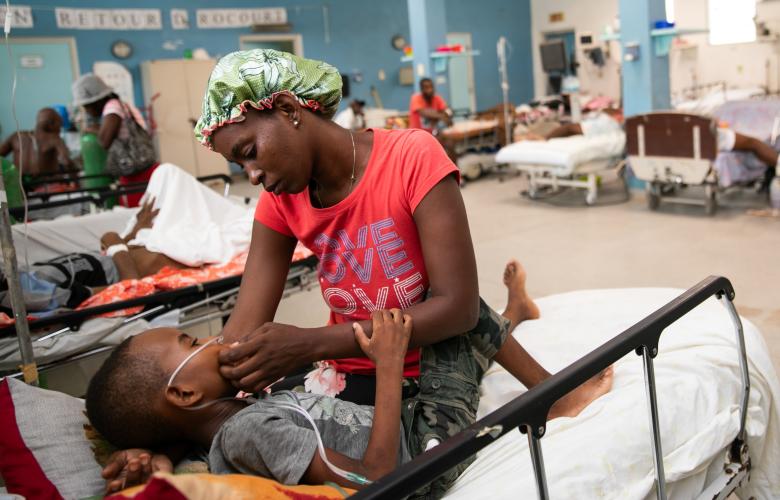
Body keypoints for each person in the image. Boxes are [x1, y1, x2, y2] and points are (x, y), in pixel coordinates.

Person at [101, 49, 611, 488]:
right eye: (240, 167)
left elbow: (454, 310)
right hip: (355, 371)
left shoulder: (411, 156)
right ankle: (516, 313)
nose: (252, 175)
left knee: (463, 306)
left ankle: (551, 389)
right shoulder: (281, 203)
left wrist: (311, 342)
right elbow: (242, 333)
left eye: (249, 153)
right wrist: (161, 440)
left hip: (418, 344)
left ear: (285, 108)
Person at [86, 262, 612, 497]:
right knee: (454, 308)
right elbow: (376, 480)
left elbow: (191, 464)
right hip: (422, 459)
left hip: (403, 420)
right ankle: (553, 396)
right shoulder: (247, 433)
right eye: (192, 345)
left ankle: (515, 311)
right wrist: (387, 366)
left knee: (443, 325)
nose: (213, 342)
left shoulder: (232, 421)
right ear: (182, 392)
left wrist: (153, 463)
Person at [71, 74, 157, 207]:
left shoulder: (112, 108)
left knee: (138, 213)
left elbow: (104, 141)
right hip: (142, 169)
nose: (86, 111)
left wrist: (93, 129)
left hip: (137, 174)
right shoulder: (120, 105)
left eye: (86, 106)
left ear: (96, 100)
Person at [0, 108, 77, 178]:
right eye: (59, 125)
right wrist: (75, 180)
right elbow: (66, 162)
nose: (60, 129)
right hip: (46, 187)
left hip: (20, 187)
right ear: (51, 124)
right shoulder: (55, 139)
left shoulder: (16, 137)